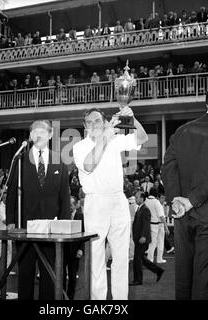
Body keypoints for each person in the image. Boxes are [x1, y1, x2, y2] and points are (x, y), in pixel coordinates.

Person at [162, 84, 208, 300]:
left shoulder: (181, 131)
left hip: (182, 217)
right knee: (205, 283)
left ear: (207, 102)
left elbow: (168, 166)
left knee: (184, 281)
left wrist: (176, 201)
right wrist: (191, 200)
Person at [72, 106, 148, 300]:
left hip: (118, 199)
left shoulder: (114, 140)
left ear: (104, 122)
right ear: (84, 126)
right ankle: (98, 302)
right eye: (89, 122)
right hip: (95, 202)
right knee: (97, 257)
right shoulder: (79, 146)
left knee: (121, 257)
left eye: (97, 120)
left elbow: (142, 138)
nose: (93, 125)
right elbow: (89, 165)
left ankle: (120, 302)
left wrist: (132, 119)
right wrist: (106, 135)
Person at [6, 120, 70, 300]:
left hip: (51, 229)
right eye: (35, 131)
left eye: (43, 131)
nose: (39, 134)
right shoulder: (20, 159)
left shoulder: (59, 160)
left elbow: (64, 197)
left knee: (49, 276)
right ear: (30, 136)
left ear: (50, 135)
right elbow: (11, 194)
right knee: (25, 274)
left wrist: (64, 226)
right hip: (24, 228)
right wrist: (11, 220)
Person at [131, 191, 164, 285]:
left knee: (137, 260)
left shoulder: (145, 209)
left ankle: (138, 280)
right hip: (139, 238)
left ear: (142, 198)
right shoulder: (140, 208)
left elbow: (146, 225)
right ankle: (158, 271)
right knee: (142, 259)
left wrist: (143, 236)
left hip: (142, 239)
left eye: (137, 197)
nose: (135, 199)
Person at [63, 196, 84, 299]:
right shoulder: (63, 215)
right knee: (61, 276)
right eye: (68, 204)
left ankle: (70, 297)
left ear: (76, 205)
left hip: (75, 251)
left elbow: (84, 235)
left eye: (71, 204)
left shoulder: (81, 216)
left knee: (72, 277)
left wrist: (81, 249)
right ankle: (62, 296)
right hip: (63, 251)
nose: (69, 207)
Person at [145, 188, 170, 263]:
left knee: (152, 243)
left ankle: (152, 259)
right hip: (157, 224)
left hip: (150, 224)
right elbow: (162, 216)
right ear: (156, 194)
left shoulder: (146, 201)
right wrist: (166, 227)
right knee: (159, 242)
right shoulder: (156, 202)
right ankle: (157, 259)